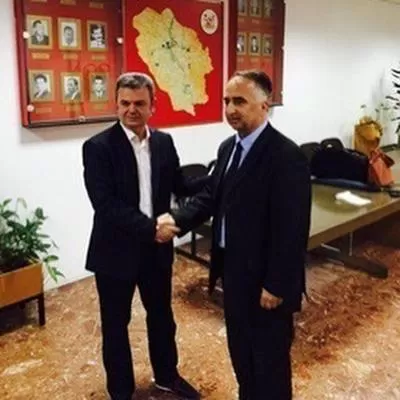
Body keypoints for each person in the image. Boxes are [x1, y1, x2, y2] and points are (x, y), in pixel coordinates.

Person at [158, 70, 312, 400]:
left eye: (239, 101)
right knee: (242, 354)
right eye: (226, 101)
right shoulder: (228, 148)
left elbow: (292, 228)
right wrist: (176, 219)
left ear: (265, 105)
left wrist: (276, 284)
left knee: (270, 363)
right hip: (233, 272)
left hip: (266, 282)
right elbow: (211, 197)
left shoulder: (286, 156)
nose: (230, 109)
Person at [82, 72, 204, 400]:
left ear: (153, 105)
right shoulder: (98, 147)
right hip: (114, 253)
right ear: (116, 104)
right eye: (125, 103)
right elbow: (105, 204)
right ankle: (121, 391)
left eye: (139, 103)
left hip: (156, 252)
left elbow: (180, 185)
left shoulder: (163, 142)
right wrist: (152, 228)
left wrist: (217, 175)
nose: (131, 110)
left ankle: (167, 376)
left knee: (162, 317)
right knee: (115, 325)